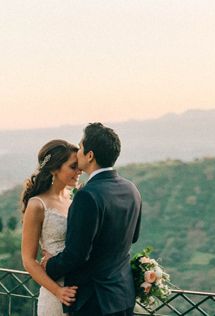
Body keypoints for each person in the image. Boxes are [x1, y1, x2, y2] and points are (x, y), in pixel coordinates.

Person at [41, 122, 142, 316]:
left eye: (80, 147)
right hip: (123, 296)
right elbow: (133, 237)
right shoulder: (131, 189)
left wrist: (49, 266)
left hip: (94, 301)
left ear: (90, 155)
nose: (77, 152)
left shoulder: (87, 195)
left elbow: (77, 253)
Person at [21, 139, 82, 316]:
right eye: (73, 167)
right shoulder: (37, 205)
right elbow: (28, 260)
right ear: (55, 168)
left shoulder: (76, 198)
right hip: (57, 291)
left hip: (81, 287)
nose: (79, 171)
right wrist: (58, 291)